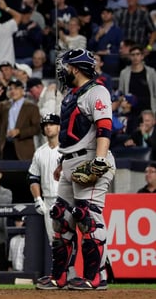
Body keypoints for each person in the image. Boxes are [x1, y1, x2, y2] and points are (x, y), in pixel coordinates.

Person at [36, 48, 115, 291]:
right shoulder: (71, 94)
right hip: (71, 161)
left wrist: (99, 161)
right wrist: (63, 162)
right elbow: (71, 136)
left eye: (66, 66)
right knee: (60, 216)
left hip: (92, 159)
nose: (62, 71)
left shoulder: (97, 91)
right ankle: (60, 276)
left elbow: (104, 127)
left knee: (87, 217)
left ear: (76, 68)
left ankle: (96, 276)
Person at [0, 78, 41, 160]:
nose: (13, 91)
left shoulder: (32, 107)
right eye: (11, 89)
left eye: (16, 88)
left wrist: (19, 132)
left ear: (22, 90)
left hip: (23, 149)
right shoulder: (3, 105)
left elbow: (37, 128)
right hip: (6, 146)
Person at [28, 114, 61, 245]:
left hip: (66, 198)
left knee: (70, 239)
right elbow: (33, 177)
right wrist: (37, 198)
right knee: (54, 242)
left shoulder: (68, 149)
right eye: (45, 125)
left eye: (51, 124)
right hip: (48, 200)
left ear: (59, 127)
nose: (48, 128)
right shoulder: (40, 152)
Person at [118, 45, 156, 115]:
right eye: (133, 55)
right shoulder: (124, 73)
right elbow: (121, 92)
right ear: (129, 56)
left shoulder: (151, 72)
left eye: (138, 54)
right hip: (130, 110)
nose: (135, 57)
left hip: (148, 110)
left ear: (142, 56)